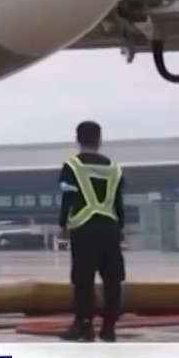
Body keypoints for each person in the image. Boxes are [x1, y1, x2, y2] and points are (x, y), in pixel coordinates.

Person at [59, 120, 125, 342]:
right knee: (112, 279)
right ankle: (109, 327)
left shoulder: (72, 166)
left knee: (83, 279)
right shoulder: (114, 168)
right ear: (99, 140)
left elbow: (68, 197)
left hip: (84, 227)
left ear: (78, 139)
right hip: (110, 228)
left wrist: (62, 224)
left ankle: (84, 325)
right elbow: (118, 201)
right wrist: (121, 227)